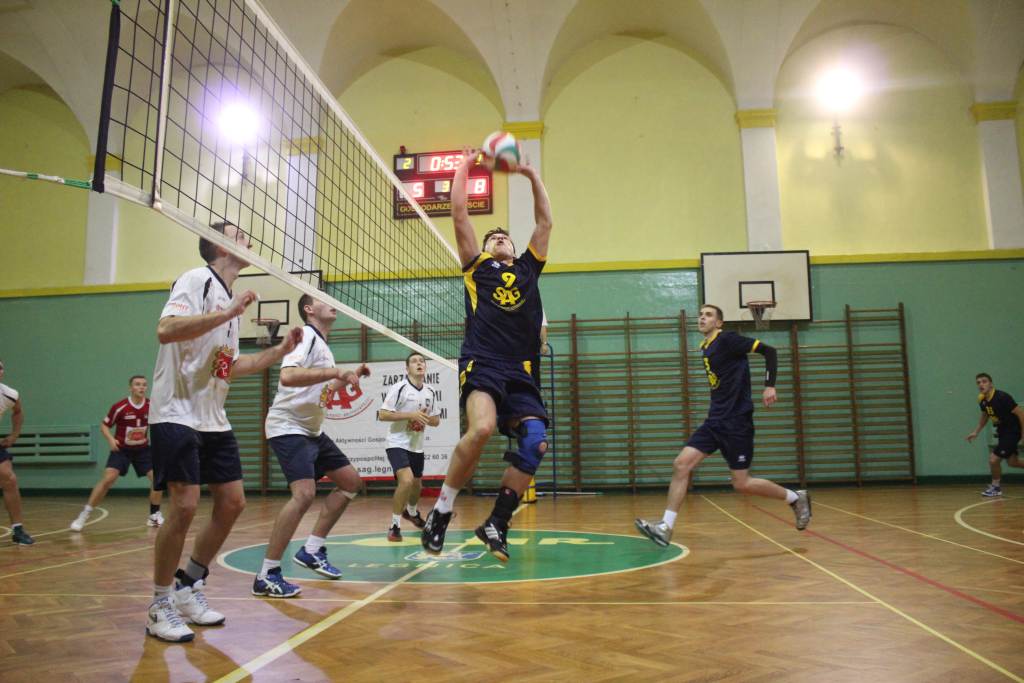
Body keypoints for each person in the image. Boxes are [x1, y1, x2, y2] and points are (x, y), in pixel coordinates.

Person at [145, 220, 303, 642]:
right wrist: (229, 312)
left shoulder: (229, 300)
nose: (247, 240)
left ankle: (188, 585)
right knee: (183, 505)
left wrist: (279, 351)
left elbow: (229, 366)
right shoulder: (197, 280)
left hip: (212, 416)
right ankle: (159, 603)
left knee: (232, 502)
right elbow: (166, 330)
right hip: (175, 411)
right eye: (237, 234)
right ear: (218, 245)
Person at [421, 148, 553, 562]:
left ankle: (497, 521)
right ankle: (441, 512)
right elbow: (459, 215)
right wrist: (465, 165)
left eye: (504, 236)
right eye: (493, 236)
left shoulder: (530, 267)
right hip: (483, 361)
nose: (499, 238)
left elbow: (545, 221)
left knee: (536, 444)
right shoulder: (476, 267)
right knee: (481, 430)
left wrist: (531, 175)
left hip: (523, 369)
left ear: (514, 247)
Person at [635, 304, 811, 546]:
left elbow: (769, 351)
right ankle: (666, 526)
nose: (702, 318)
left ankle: (794, 497)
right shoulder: (705, 347)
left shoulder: (727, 340)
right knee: (681, 465)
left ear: (719, 323)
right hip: (714, 421)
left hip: (737, 422)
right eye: (701, 314)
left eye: (708, 315)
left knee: (742, 483)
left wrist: (770, 385)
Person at [252, 294, 369, 598]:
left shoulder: (322, 346)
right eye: (322, 299)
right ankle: (267, 573)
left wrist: (348, 377)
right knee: (303, 495)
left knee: (351, 483)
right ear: (308, 309)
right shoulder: (305, 335)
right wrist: (335, 372)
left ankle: (312, 549)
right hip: (288, 426)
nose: (331, 303)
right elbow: (289, 376)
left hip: (312, 431)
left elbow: (324, 388)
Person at [70, 375, 163, 531]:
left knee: (158, 479)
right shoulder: (120, 407)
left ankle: (154, 515)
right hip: (122, 450)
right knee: (108, 479)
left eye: (144, 385)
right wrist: (111, 440)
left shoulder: (151, 406)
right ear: (130, 387)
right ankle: (84, 514)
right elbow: (104, 425)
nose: (141, 387)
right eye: (137, 384)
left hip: (142, 450)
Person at [378, 352, 440, 542]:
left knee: (416, 485)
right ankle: (394, 526)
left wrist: (424, 419)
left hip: (416, 445)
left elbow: (436, 421)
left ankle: (411, 512)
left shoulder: (430, 391)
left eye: (422, 361)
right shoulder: (400, 388)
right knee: (406, 480)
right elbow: (382, 414)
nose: (419, 363)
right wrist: (410, 415)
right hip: (396, 442)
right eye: (414, 361)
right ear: (407, 369)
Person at [966, 372, 1024, 497]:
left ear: (991, 384)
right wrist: (976, 431)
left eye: (984, 381)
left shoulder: (1002, 397)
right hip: (1003, 432)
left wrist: (1023, 434)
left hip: (1013, 431)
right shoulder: (981, 399)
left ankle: (996, 487)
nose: (981, 384)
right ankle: (996, 486)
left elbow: (1021, 414)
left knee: (993, 459)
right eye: (978, 382)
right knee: (1013, 462)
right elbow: (985, 414)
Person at [0, 359, 33, 545]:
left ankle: (18, 529)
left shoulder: (9, 395)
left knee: (9, 479)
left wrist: (14, 435)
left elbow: (18, 412)